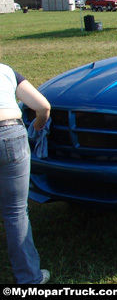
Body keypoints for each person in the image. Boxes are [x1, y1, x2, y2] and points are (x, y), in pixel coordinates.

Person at [0, 62, 51, 284]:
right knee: (15, 213)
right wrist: (39, 126)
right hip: (10, 133)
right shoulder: (6, 71)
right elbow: (43, 107)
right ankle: (30, 278)